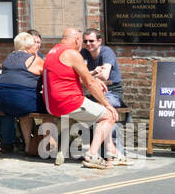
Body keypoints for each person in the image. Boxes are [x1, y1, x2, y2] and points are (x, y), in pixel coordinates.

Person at [42, 28, 124, 168]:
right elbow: (90, 83)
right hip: (69, 103)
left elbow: (70, 76)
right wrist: (106, 104)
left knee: (102, 114)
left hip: (51, 104)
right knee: (108, 115)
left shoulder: (52, 52)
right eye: (83, 41)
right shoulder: (72, 53)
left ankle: (113, 152)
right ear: (77, 39)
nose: (84, 45)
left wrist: (93, 79)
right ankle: (92, 155)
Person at [0, 32, 43, 156]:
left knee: (23, 112)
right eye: (34, 44)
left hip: (1, 102)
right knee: (49, 109)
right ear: (28, 47)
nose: (36, 47)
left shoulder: (9, 58)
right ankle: (36, 145)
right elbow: (48, 77)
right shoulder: (35, 60)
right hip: (23, 102)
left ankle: (24, 144)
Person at [81, 28, 127, 157]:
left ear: (99, 41)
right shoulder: (84, 53)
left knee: (106, 113)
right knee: (86, 112)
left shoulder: (107, 52)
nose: (88, 44)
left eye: (91, 41)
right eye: (85, 41)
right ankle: (107, 151)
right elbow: (81, 75)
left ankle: (113, 151)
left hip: (112, 92)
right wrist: (94, 72)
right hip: (94, 93)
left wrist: (90, 75)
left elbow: (105, 75)